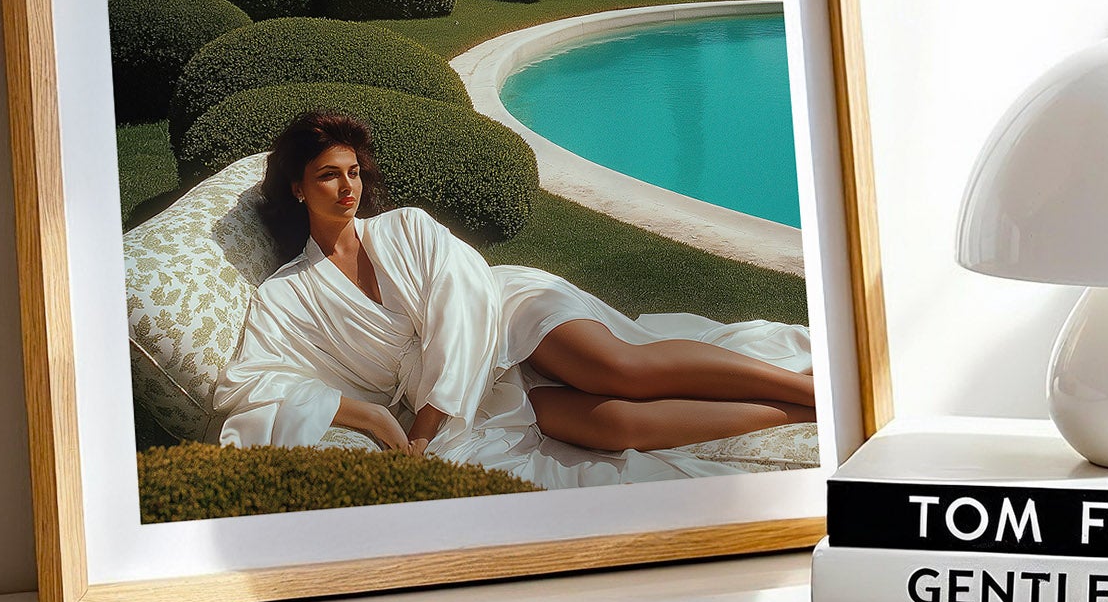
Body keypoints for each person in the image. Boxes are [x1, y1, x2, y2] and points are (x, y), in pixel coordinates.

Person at [219, 110, 814, 468]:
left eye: (352, 172)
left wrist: (422, 427)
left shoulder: (405, 227)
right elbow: (252, 385)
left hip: (504, 315)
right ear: (298, 189)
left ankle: (807, 390)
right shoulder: (285, 295)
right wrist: (374, 418)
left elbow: (461, 299)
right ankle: (789, 411)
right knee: (615, 429)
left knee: (622, 371)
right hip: (459, 394)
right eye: (327, 175)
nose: (347, 188)